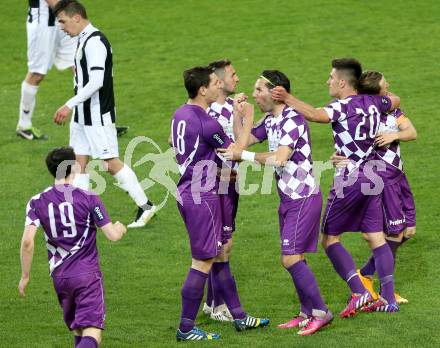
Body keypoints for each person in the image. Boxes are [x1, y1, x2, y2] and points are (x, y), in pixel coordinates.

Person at [272, 58, 401, 314]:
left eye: (331, 78)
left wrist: (287, 97)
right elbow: (394, 100)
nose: (328, 81)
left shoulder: (342, 106)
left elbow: (315, 115)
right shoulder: (376, 102)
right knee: (376, 237)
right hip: (374, 177)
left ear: (343, 82)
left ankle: (360, 293)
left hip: (350, 179)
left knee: (330, 239)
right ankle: (388, 299)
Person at [220, 70, 332, 336]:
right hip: (288, 197)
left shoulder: (293, 119)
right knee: (295, 257)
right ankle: (306, 312)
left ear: (276, 92)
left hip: (303, 197)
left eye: (259, 89)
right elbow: (242, 142)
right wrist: (239, 114)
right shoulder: (271, 119)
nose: (255, 94)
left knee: (290, 258)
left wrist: (242, 154)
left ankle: (320, 312)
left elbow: (280, 158)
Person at [171, 65, 269, 341]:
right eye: (215, 83)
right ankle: (186, 328)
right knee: (202, 261)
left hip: (192, 189)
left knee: (221, 252)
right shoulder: (208, 122)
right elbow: (235, 153)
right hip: (202, 194)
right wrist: (247, 117)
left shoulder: (181, 112)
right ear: (203, 90)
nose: (219, 86)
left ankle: (238, 316)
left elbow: (175, 142)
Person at [52, 0, 154, 228]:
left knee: (109, 163)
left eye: (63, 21)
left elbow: (97, 81)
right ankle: (82, 214)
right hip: (82, 114)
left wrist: (68, 104)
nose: (61, 27)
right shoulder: (82, 39)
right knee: (79, 162)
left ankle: (146, 206)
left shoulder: (95, 42)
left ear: (76, 17)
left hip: (97, 114)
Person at [18, 146, 127, 348]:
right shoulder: (89, 198)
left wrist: (25, 276)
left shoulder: (36, 202)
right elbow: (112, 235)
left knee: (78, 328)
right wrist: (121, 228)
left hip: (59, 277)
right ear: (73, 167)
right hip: (87, 276)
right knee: (93, 331)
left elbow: (27, 242)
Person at [332, 71, 417, 305]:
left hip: (400, 178)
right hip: (383, 180)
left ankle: (368, 273)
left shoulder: (392, 110)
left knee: (407, 232)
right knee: (394, 233)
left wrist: (393, 135)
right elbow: (352, 145)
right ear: (375, 92)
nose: (388, 87)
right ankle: (383, 289)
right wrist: (341, 159)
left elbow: (412, 132)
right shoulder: (365, 116)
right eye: (384, 85)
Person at [201, 59, 240, 322]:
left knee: (225, 243)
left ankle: (212, 301)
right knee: (221, 245)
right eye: (232, 75)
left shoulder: (229, 107)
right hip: (215, 185)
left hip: (230, 182)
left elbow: (239, 144)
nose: (236, 78)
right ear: (218, 80)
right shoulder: (207, 113)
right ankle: (218, 307)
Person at [16, 0, 76, 140]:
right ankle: (24, 125)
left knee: (79, 64)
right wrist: (71, 15)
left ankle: (98, 121)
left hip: (62, 18)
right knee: (37, 74)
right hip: (42, 23)